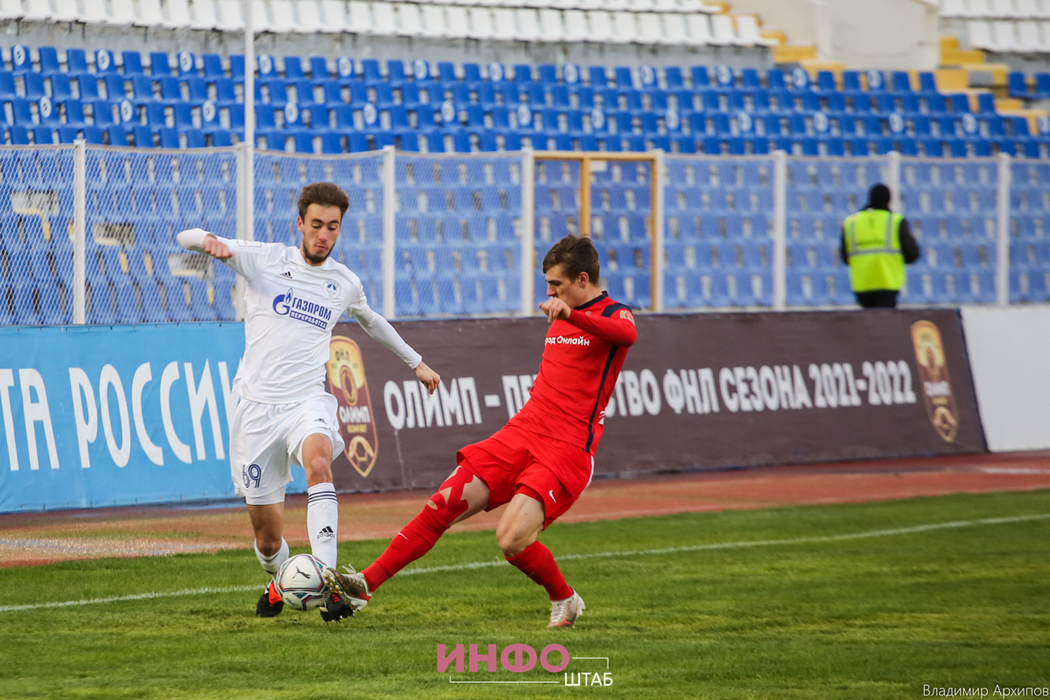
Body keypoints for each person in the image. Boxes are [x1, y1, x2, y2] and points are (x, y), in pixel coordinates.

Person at [323, 234, 638, 628]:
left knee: (511, 539)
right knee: (444, 502)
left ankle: (565, 598)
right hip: (523, 431)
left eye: (556, 285)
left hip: (567, 447)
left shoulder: (613, 313)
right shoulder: (564, 311)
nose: (549, 293)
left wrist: (569, 315)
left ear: (582, 279)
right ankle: (365, 584)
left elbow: (628, 335)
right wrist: (564, 312)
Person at [176, 182, 440, 621]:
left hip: (306, 400)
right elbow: (185, 236)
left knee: (320, 462)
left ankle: (330, 581)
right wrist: (206, 243)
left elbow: (371, 321)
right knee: (266, 538)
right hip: (256, 410)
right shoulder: (264, 259)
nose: (323, 234)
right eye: (316, 224)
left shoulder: (343, 282)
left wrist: (417, 363)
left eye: (332, 227)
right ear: (300, 223)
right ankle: (281, 582)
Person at [839, 183, 921, 308]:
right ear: (889, 200)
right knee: (886, 324)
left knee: (867, 325)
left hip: (862, 284)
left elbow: (845, 257)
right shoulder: (895, 221)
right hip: (888, 283)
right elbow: (911, 254)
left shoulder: (851, 222)